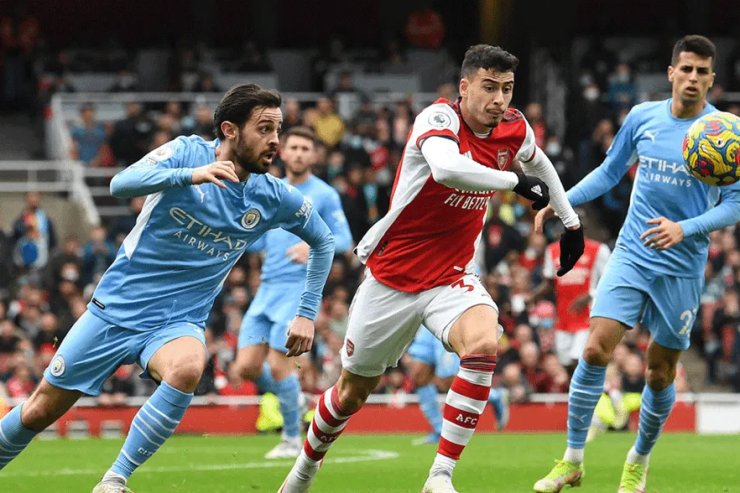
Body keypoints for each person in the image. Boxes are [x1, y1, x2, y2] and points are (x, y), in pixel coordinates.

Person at [0, 84, 335, 493]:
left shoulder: (273, 196)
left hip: (177, 321)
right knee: (38, 410)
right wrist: (188, 176)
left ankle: (114, 480)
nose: (275, 141)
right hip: (115, 311)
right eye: (265, 129)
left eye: (278, 130)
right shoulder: (187, 152)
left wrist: (306, 312)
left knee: (188, 366)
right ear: (230, 130)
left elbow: (324, 241)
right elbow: (121, 183)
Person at [279, 44, 584, 493]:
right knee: (350, 394)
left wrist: (571, 221)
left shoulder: (514, 127)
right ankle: (302, 473)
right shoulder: (438, 119)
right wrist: (514, 181)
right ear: (464, 87)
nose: (499, 99)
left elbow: (538, 161)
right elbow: (447, 169)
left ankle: (439, 476)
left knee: (484, 343)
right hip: (393, 278)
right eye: (489, 87)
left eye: (507, 88)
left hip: (452, 277)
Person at [533, 35, 740, 493]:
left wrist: (684, 228)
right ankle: (572, 459)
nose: (692, 78)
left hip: (682, 266)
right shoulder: (643, 117)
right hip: (633, 252)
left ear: (712, 78)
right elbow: (610, 172)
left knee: (659, 372)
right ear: (671, 72)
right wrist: (561, 201)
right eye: (686, 69)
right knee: (594, 350)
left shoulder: (727, 134)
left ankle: (638, 460)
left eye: (702, 72)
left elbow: (735, 204)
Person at [234, 126, 352, 459]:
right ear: (282, 152)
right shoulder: (271, 189)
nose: (299, 153)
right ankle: (294, 397)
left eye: (305, 148)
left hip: (297, 291)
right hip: (266, 289)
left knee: (279, 364)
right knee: (245, 368)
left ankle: (290, 438)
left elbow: (344, 239)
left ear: (314, 155)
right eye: (294, 148)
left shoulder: (324, 194)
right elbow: (256, 239)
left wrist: (311, 245)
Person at [408, 325, 509, 446]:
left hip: (446, 321)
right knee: (418, 376)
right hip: (425, 324)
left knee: (449, 380)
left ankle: (495, 396)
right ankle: (440, 430)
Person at [535, 233, 610, 371]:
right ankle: (573, 385)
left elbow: (609, 280)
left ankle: (582, 384)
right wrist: (532, 296)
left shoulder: (598, 249)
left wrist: (590, 295)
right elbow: (549, 282)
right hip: (563, 317)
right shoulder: (552, 250)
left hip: (587, 315)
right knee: (565, 362)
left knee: (579, 358)